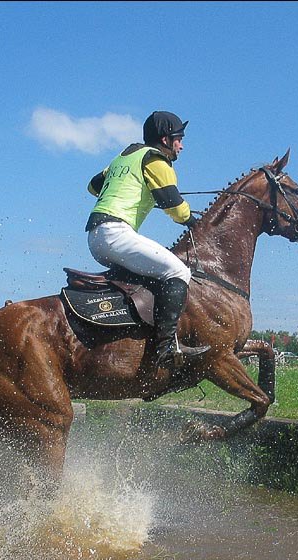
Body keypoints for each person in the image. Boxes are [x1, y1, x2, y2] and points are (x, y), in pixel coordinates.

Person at [85, 110, 209, 370]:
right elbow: (175, 208)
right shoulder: (156, 161)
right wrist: (194, 222)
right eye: (179, 139)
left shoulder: (124, 156)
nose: (182, 145)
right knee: (177, 270)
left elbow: (94, 186)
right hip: (115, 233)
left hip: (96, 236)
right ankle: (165, 348)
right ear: (165, 139)